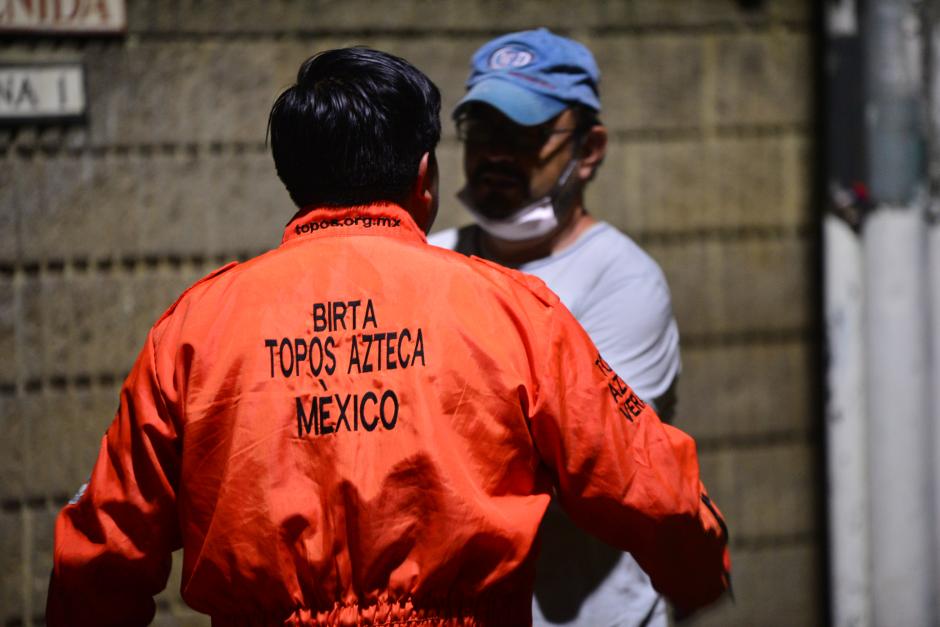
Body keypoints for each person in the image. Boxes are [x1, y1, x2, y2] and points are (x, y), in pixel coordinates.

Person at [47, 47, 728, 626]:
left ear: (295, 181)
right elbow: (652, 484)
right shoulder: (514, 309)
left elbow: (102, 547)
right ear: (424, 178)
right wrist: (701, 567)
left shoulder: (196, 327)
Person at [429, 29, 684, 626]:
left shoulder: (623, 283)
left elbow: (589, 477)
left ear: (589, 149)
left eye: (524, 134)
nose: (494, 153)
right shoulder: (430, 260)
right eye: (483, 131)